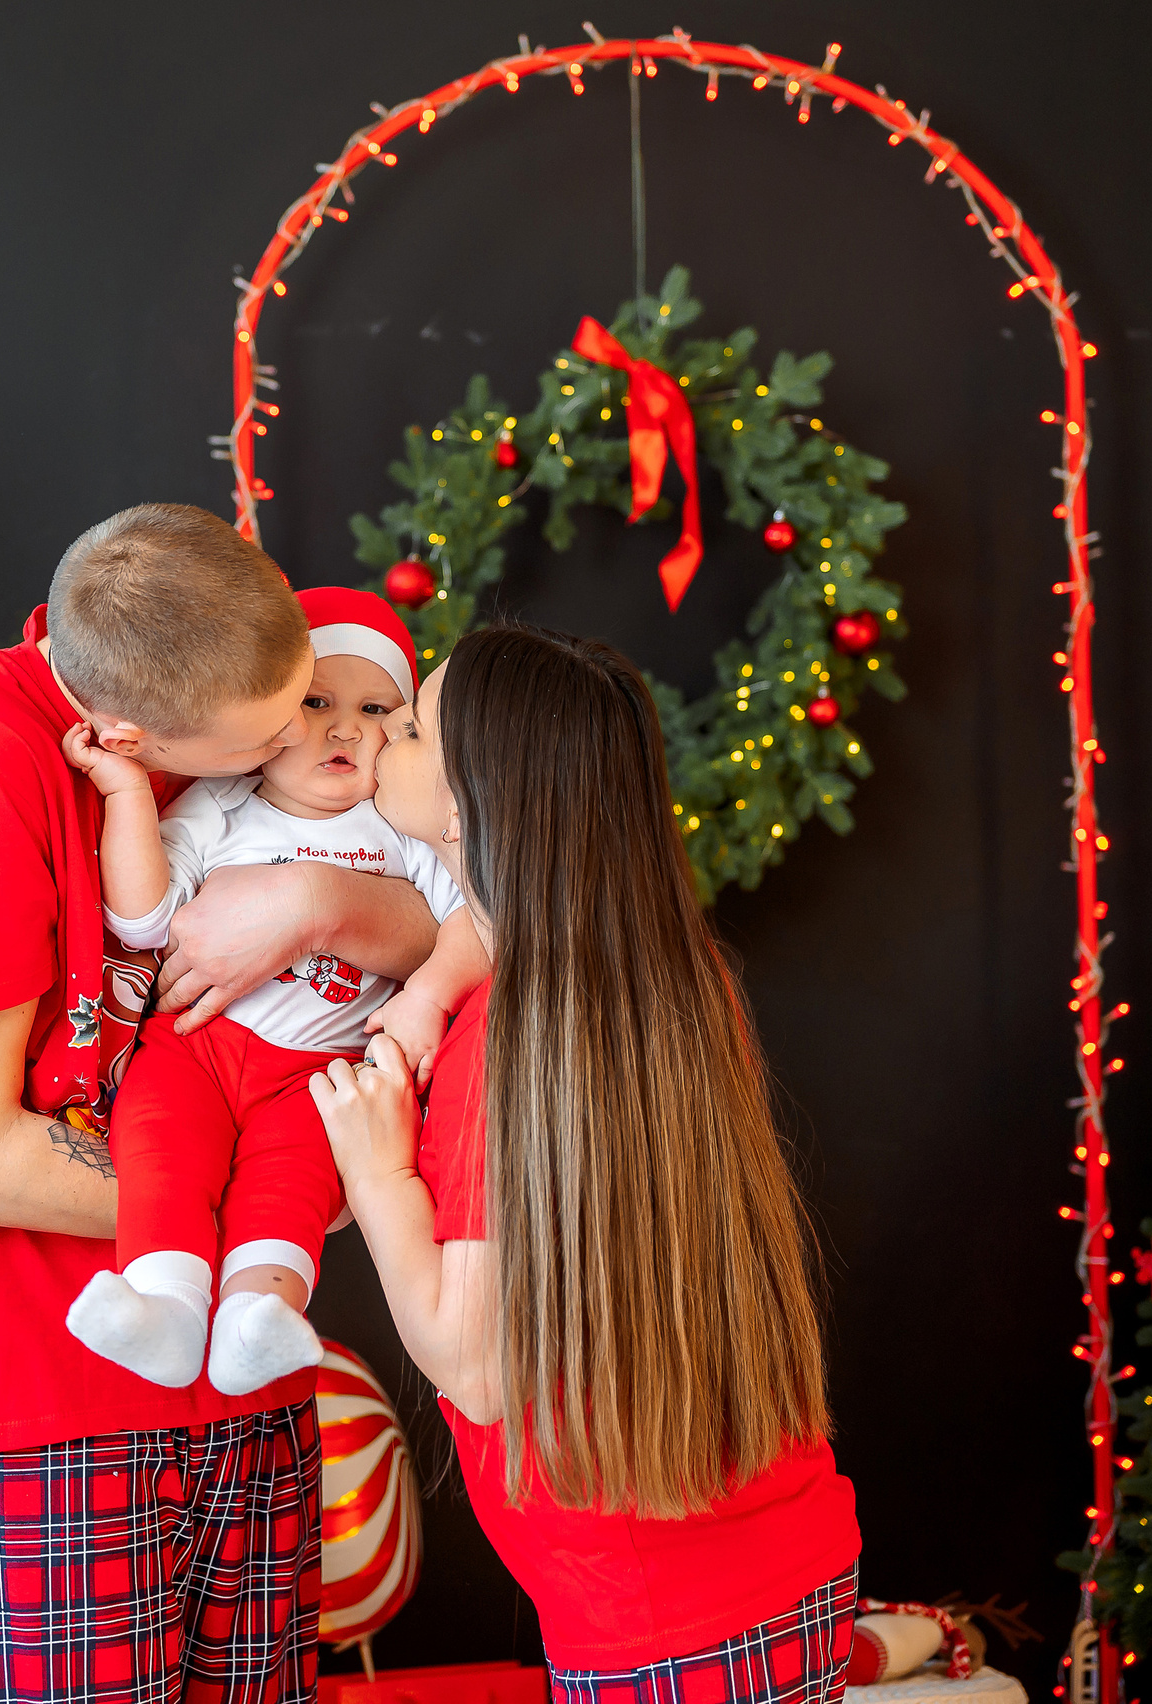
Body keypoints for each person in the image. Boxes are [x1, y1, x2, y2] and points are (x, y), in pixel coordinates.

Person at [0, 505, 440, 1704]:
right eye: (266, 734)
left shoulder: (216, 671)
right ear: (126, 730)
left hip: (250, 1378)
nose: (310, 742)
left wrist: (316, 896)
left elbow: (450, 911)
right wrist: (281, 1207)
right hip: (49, 1405)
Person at [311, 623, 862, 1704]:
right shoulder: (671, 977)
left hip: (654, 1632)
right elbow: (496, 915)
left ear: (473, 803)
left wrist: (377, 1176)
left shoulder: (500, 1054)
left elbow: (473, 1367)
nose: (380, 739)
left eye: (412, 728)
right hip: (794, 1562)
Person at [60, 586, 485, 1395]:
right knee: (160, 1151)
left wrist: (429, 993)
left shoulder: (401, 830)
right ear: (270, 721)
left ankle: (262, 1314)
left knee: (291, 1185)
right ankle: (166, 1305)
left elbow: (475, 921)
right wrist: (124, 798)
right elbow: (144, 918)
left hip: (319, 1069)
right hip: (197, 1048)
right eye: (318, 700)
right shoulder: (222, 807)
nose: (345, 727)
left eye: (378, 710)